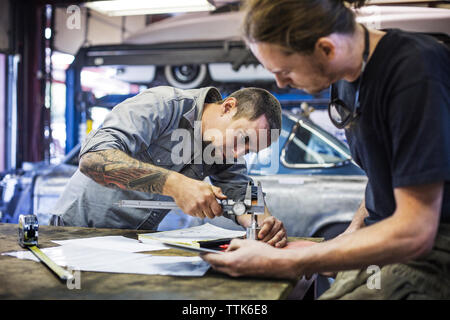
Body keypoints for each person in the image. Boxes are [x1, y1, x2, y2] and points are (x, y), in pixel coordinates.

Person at [202, 0, 450, 299]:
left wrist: (285, 261)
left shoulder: (414, 73)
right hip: (385, 240)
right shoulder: (344, 80)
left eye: (285, 70)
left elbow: (415, 232)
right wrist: (342, 241)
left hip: (429, 251)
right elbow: (384, 174)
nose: (280, 82)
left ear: (326, 49)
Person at [51, 86, 287, 247]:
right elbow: (94, 160)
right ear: (228, 107)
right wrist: (175, 184)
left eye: (249, 151)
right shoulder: (163, 105)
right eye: (243, 138)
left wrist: (262, 221)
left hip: (132, 242)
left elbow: (243, 190)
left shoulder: (225, 147)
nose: (238, 154)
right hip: (77, 231)